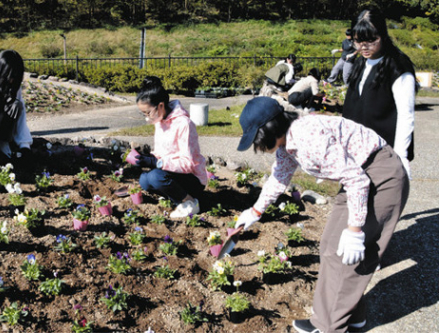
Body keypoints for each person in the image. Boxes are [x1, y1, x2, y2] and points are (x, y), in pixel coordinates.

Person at [234, 97, 409, 333]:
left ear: (269, 129)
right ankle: (353, 319)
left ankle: (329, 327)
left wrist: (355, 229)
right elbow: (279, 178)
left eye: (257, 139)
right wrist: (255, 211)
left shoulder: (307, 137)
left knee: (345, 254)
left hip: (381, 176)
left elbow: (357, 180)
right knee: (330, 246)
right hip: (359, 176)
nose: (258, 146)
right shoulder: (288, 142)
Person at [343, 8, 416, 179]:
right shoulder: (362, 62)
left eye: (371, 40)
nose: (364, 47)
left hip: (384, 153)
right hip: (358, 152)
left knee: (380, 204)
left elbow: (406, 115)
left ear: (382, 35)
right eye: (358, 41)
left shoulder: (397, 66)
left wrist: (400, 157)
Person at [134, 76, 207, 218]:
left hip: (192, 178)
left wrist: (157, 163)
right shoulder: (160, 121)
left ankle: (190, 202)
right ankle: (175, 196)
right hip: (172, 173)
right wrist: (148, 157)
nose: (146, 118)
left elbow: (187, 164)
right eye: (143, 114)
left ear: (160, 106)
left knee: (155, 177)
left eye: (148, 113)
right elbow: (162, 153)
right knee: (144, 180)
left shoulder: (184, 124)